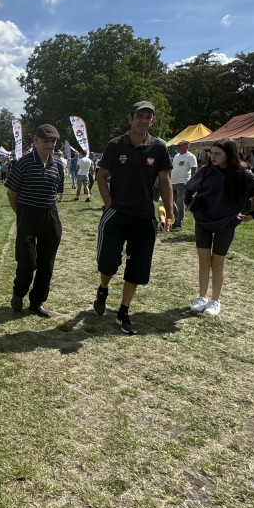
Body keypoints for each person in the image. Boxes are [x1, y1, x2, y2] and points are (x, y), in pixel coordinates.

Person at [92, 101, 174, 335]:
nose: (143, 120)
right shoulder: (115, 145)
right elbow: (101, 176)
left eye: (148, 117)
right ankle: (103, 288)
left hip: (144, 218)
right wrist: (109, 204)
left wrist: (169, 212)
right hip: (117, 215)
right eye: (140, 116)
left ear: (152, 121)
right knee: (108, 263)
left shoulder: (158, 147)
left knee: (137, 268)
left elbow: (165, 181)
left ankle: (123, 311)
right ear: (130, 118)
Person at [184, 138, 254, 316]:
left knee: (218, 263)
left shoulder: (242, 174)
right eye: (211, 153)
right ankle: (202, 297)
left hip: (226, 223)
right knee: (204, 262)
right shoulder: (206, 171)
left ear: (229, 155)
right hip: (203, 222)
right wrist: (190, 204)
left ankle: (215, 301)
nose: (213, 157)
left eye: (218, 154)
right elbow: (189, 188)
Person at [5, 123, 65, 318]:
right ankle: (18, 293)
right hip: (27, 215)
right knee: (27, 262)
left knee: (46, 263)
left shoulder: (58, 165)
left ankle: (37, 302)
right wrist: (21, 214)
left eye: (53, 141)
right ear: (36, 141)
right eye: (45, 140)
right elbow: (11, 192)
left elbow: (57, 191)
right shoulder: (24, 163)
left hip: (50, 215)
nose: (50, 144)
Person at [170, 140, 198, 230]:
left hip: (183, 183)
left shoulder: (191, 156)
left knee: (180, 203)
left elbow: (194, 170)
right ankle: (177, 218)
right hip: (173, 182)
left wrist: (192, 183)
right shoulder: (176, 156)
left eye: (179, 145)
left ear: (185, 146)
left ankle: (178, 223)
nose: (177, 147)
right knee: (171, 202)